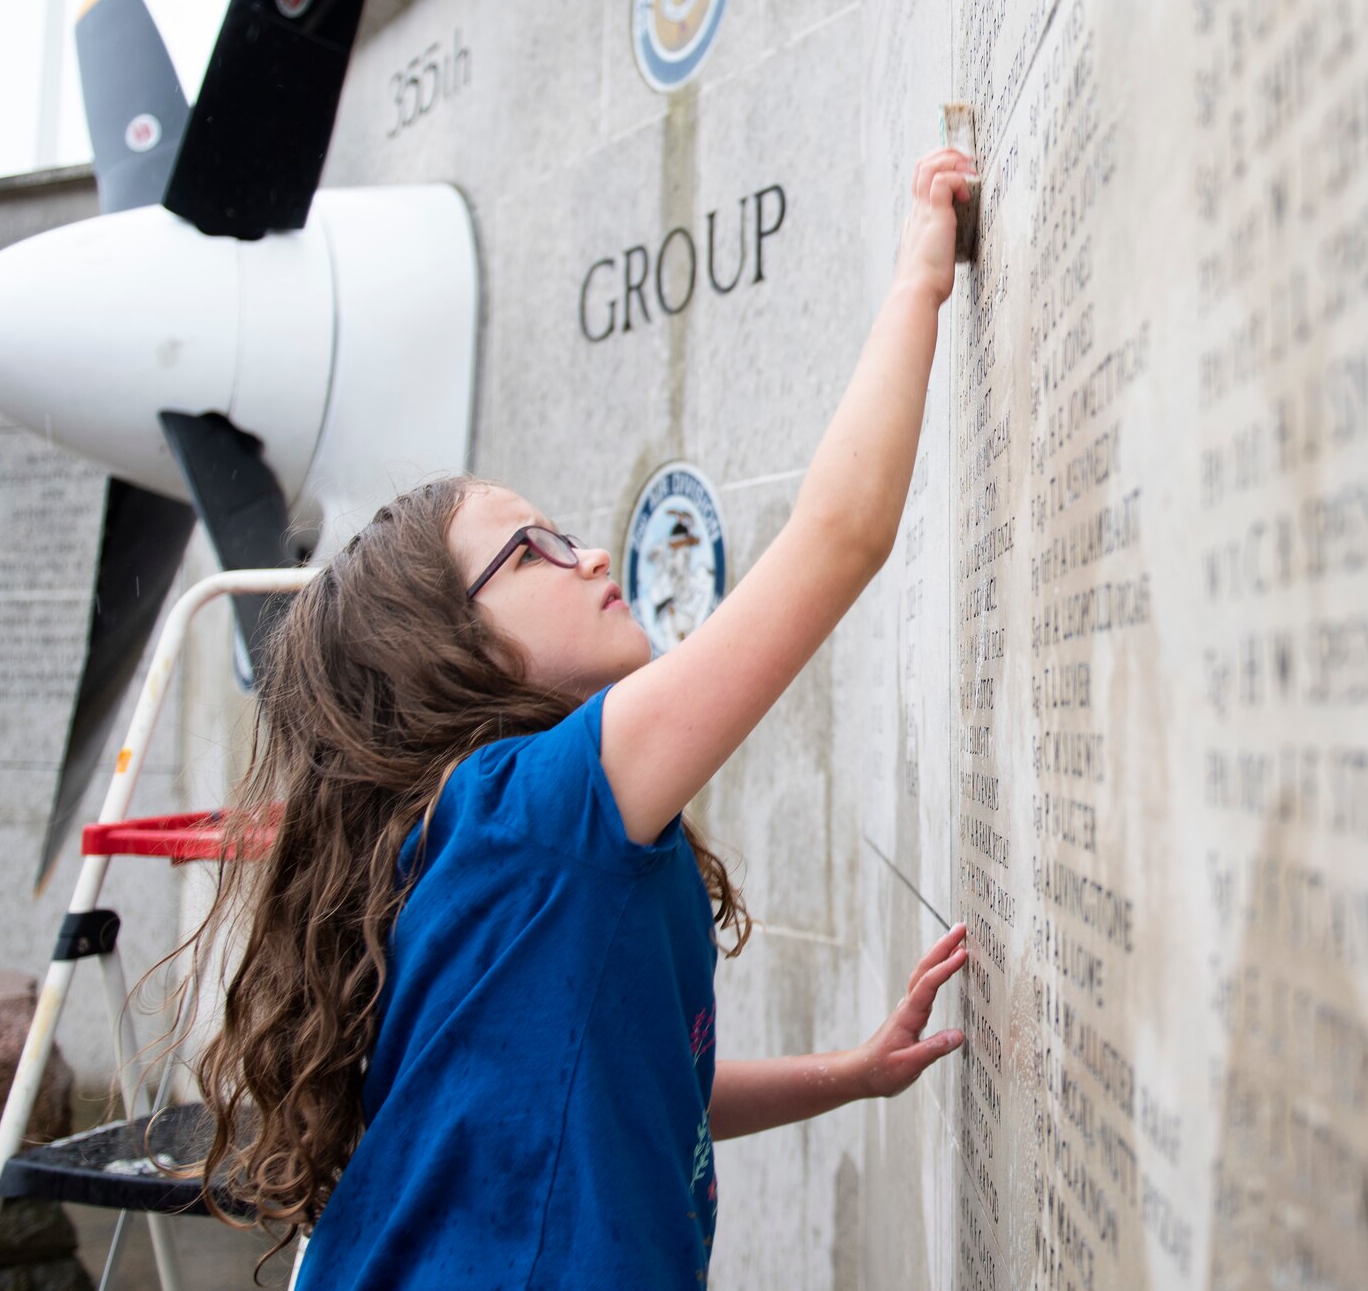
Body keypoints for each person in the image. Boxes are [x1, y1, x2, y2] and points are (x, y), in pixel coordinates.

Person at [173, 146, 980, 1288]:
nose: (589, 551)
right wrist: (918, 281)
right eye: (531, 551)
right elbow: (837, 538)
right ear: (442, 651)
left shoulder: (476, 843)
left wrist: (845, 1074)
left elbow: (629, 1077)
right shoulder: (527, 813)